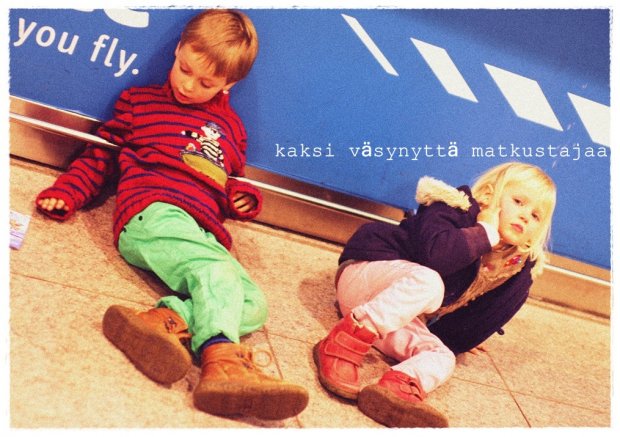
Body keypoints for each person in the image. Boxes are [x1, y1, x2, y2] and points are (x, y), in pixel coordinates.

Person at [36, 9, 308, 421]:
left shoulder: (232, 128)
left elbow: (232, 180)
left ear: (229, 84)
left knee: (254, 304)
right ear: (179, 49)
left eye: (206, 83)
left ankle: (161, 321)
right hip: (153, 213)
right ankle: (221, 363)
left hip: (202, 229)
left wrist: (241, 197)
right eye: (184, 69)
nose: (187, 85)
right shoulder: (139, 102)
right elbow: (100, 157)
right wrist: (67, 192)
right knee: (217, 275)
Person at [313, 162, 556, 427]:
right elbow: (437, 257)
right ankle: (341, 343)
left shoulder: (514, 270)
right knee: (430, 283)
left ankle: (396, 389)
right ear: (489, 194)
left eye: (536, 216)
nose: (525, 216)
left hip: (391, 318)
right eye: (518, 202)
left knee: (443, 356)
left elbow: (460, 334)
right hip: (365, 276)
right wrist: (484, 233)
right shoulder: (453, 207)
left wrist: (510, 281)